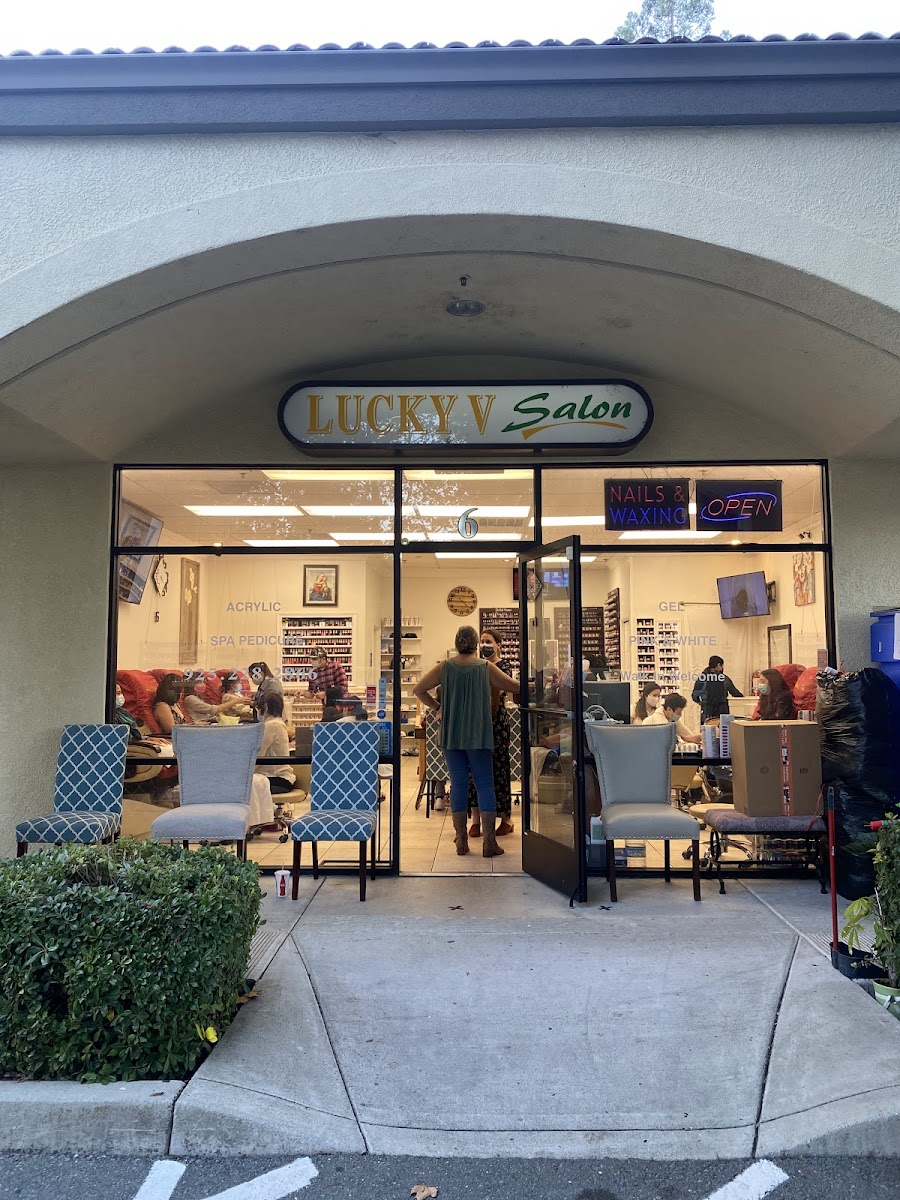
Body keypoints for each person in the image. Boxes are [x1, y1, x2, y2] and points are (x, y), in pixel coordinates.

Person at [414, 625, 519, 858]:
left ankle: (461, 840)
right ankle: (489, 843)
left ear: (456, 642)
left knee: (459, 784)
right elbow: (515, 687)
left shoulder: (445, 667)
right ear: (476, 644)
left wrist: (438, 707)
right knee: (484, 784)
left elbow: (419, 689)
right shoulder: (485, 667)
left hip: (451, 733)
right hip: (478, 733)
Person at [467, 628, 515, 838]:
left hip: (497, 724)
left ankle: (506, 819)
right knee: (474, 771)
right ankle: (475, 820)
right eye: (482, 641)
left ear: (498, 645)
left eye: (488, 641)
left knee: (499, 770)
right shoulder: (476, 665)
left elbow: (501, 691)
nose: (485, 645)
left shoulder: (504, 667)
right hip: (476, 723)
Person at [255, 694, 297, 795]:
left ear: (265, 707)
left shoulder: (271, 725)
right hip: (280, 778)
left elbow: (259, 754)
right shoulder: (278, 723)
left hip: (276, 778)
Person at [692, 656, 743, 724]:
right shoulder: (724, 679)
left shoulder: (702, 678)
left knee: (707, 729)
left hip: (707, 713)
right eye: (722, 666)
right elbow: (735, 693)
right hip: (722, 714)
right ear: (718, 665)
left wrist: (703, 704)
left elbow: (695, 696)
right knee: (722, 730)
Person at [181, 672, 247, 724]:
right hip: (205, 725)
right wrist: (237, 701)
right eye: (200, 682)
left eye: (203, 682)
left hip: (212, 722)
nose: (204, 685)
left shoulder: (198, 697)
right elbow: (215, 709)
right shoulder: (190, 699)